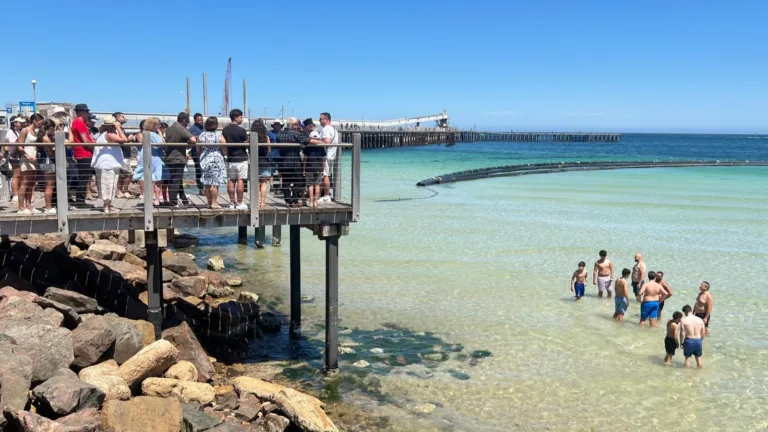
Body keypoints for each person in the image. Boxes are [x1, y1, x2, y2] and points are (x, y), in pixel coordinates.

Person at [92, 115, 128, 213]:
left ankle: (108, 205)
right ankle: (107, 206)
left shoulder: (103, 134)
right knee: (108, 185)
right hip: (107, 164)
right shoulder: (108, 134)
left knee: (110, 185)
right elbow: (124, 140)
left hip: (108, 164)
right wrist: (118, 128)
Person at [164, 112, 197, 208]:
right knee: (176, 180)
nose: (188, 124)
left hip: (169, 157)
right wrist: (190, 143)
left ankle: (184, 199)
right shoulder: (181, 128)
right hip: (178, 157)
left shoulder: (169, 128)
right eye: (187, 122)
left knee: (176, 179)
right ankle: (173, 202)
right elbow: (193, 140)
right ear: (184, 120)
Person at [132, 117, 167, 206]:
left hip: (147, 155)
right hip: (155, 157)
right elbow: (162, 144)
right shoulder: (153, 134)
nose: (159, 126)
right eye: (158, 124)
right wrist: (160, 133)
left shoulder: (145, 133)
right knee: (158, 179)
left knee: (149, 178)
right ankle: (156, 199)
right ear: (154, 125)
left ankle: (149, 198)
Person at [16, 114, 44, 214]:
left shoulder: (36, 132)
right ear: (35, 121)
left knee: (31, 183)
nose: (41, 123)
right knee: (25, 182)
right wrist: (26, 155)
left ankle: (28, 205)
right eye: (40, 121)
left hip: (34, 159)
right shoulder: (25, 130)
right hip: (27, 159)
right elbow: (19, 145)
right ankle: (21, 207)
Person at [222, 109, 248, 210]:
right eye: (241, 117)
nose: (242, 119)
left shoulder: (225, 130)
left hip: (231, 158)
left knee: (231, 180)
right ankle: (240, 203)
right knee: (240, 180)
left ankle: (232, 203)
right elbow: (246, 144)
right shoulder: (241, 130)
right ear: (236, 117)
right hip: (241, 157)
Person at [198, 117, 227, 209]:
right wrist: (225, 155)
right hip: (216, 158)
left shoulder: (202, 135)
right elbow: (224, 146)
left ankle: (209, 202)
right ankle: (214, 203)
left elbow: (198, 148)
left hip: (205, 157)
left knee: (207, 182)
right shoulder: (219, 135)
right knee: (215, 182)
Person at [70, 104, 95, 205]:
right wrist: (98, 146)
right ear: (81, 112)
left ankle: (80, 200)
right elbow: (85, 141)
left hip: (83, 153)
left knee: (85, 177)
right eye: (86, 112)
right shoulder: (79, 122)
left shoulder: (78, 122)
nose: (87, 114)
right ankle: (80, 201)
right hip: (84, 153)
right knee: (84, 178)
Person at [36, 119, 58, 214]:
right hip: (48, 162)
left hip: (43, 161)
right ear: (51, 128)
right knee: (50, 185)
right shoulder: (45, 138)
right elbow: (51, 153)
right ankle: (48, 207)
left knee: (49, 185)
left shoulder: (41, 137)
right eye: (54, 128)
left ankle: (49, 206)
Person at [302, 119, 325, 207]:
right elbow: (323, 160)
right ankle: (316, 202)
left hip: (309, 168)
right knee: (317, 185)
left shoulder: (308, 147)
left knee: (310, 185)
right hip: (319, 168)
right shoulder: (321, 147)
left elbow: (305, 159)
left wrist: (303, 170)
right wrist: (323, 170)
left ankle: (311, 201)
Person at [250, 120, 271, 209]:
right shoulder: (266, 138)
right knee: (264, 183)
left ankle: (256, 202)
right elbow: (269, 150)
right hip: (265, 161)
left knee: (256, 183)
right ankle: (262, 203)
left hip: (255, 161)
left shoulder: (250, 137)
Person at [318, 112, 338, 202]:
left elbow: (327, 141)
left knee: (325, 175)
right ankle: (321, 195)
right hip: (331, 155)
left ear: (326, 120)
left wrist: (315, 141)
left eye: (320, 119)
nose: (319, 121)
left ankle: (326, 196)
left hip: (326, 155)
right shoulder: (333, 129)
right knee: (325, 175)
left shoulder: (326, 129)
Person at [112, 112, 133, 198]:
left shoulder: (121, 128)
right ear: (116, 118)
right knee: (129, 173)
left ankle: (120, 191)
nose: (125, 118)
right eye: (122, 116)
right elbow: (119, 140)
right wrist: (128, 139)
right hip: (121, 154)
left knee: (122, 174)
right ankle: (122, 190)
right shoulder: (115, 129)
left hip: (125, 154)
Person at [3, 116, 24, 203]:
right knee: (16, 175)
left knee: (19, 175)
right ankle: (15, 195)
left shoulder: (17, 132)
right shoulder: (10, 133)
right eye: (19, 122)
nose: (21, 124)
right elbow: (13, 145)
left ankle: (17, 193)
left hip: (17, 156)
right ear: (14, 123)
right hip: (13, 156)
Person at [188, 113, 205, 193]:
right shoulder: (192, 129)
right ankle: (201, 188)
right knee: (199, 170)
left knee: (206, 170)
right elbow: (193, 139)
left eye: (201, 119)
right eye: (199, 120)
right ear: (195, 120)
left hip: (205, 152)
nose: (201, 121)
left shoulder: (205, 128)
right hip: (197, 153)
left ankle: (207, 187)